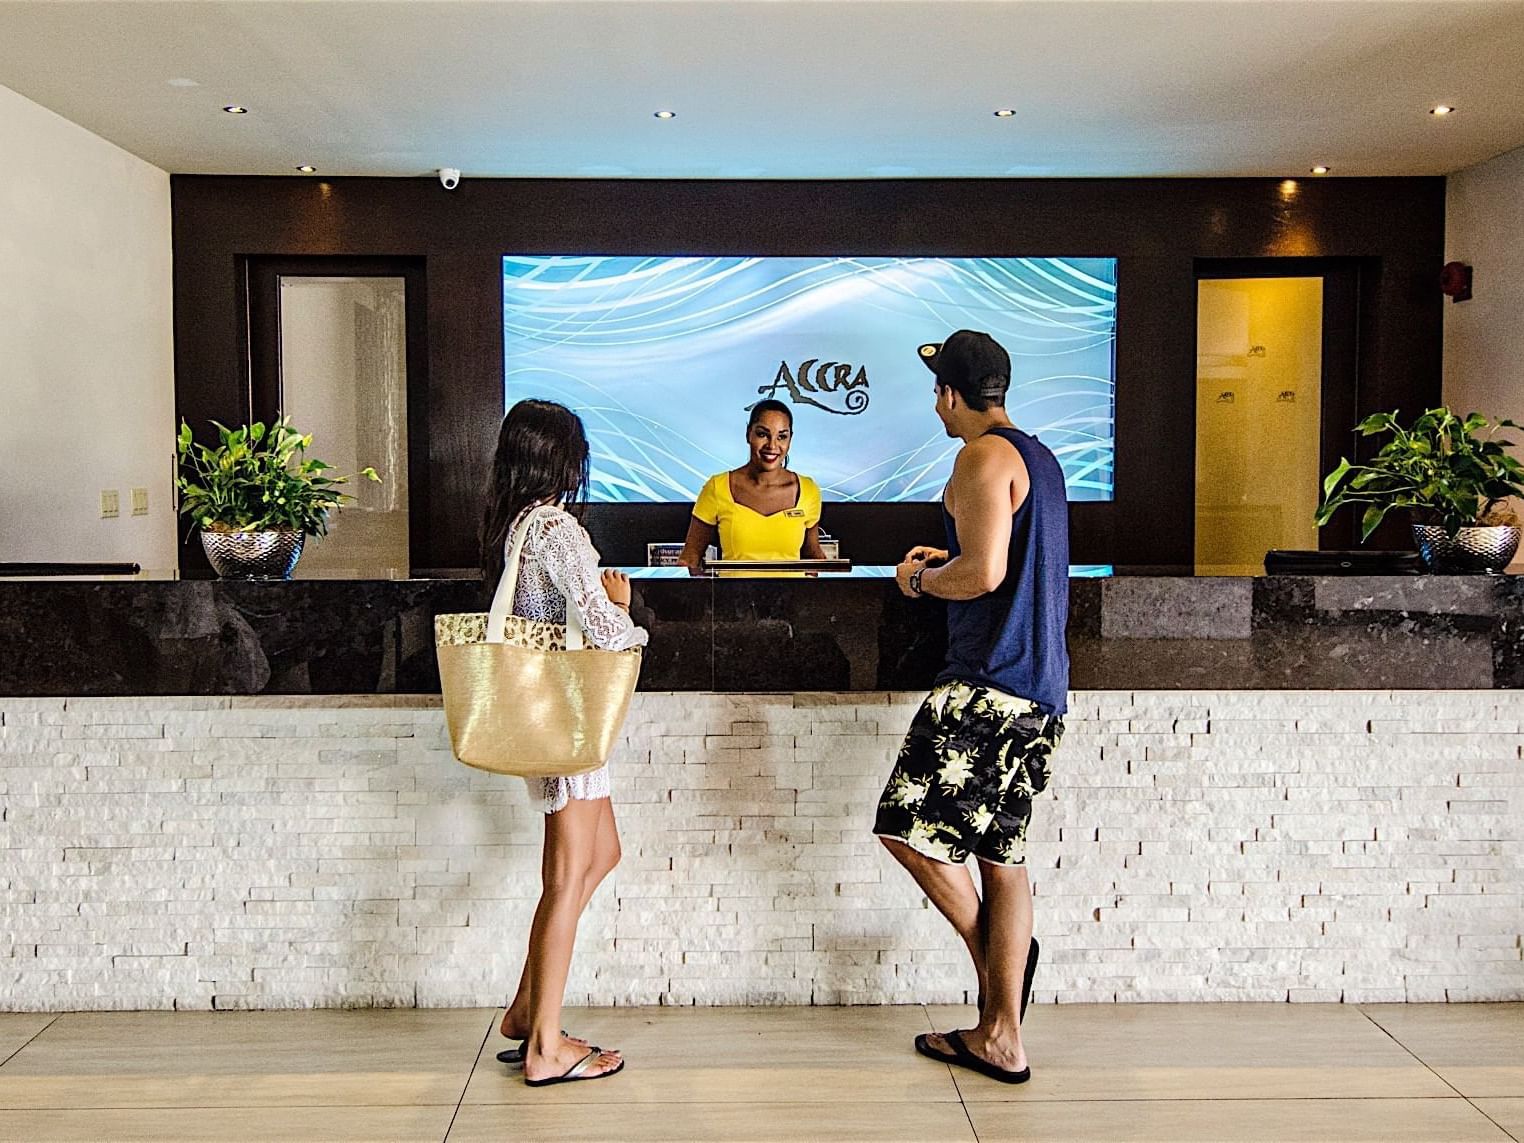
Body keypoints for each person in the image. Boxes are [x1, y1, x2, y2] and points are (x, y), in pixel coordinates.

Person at [874, 330, 1069, 1085]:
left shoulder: (981, 456)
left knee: (906, 829)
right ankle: (1001, 1034)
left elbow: (985, 573)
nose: (935, 404)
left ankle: (999, 972)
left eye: (937, 391)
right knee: (1003, 858)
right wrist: (943, 559)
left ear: (953, 393)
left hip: (987, 685)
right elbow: (1006, 560)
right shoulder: (1042, 459)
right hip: (1040, 690)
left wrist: (919, 580)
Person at [479, 398, 647, 1087]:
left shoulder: (518, 523)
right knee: (566, 877)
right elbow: (605, 633)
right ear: (563, 459)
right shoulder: (559, 530)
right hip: (568, 721)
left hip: (552, 721)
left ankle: (527, 1007)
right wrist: (625, 610)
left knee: (600, 852)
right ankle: (545, 1043)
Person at [677, 399, 827, 576]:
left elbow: (813, 557)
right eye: (763, 434)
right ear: (748, 434)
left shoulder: (808, 490)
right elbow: (690, 557)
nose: (772, 445)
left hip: (791, 601)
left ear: (790, 440)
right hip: (732, 601)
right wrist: (708, 597)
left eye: (781, 436)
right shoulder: (718, 487)